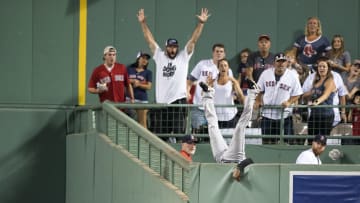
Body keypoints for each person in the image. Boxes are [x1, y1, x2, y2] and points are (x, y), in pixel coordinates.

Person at [137, 8, 210, 134]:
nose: (173, 50)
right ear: (166, 48)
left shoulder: (183, 56)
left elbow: (193, 40)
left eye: (175, 47)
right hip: (161, 104)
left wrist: (201, 23)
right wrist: (143, 23)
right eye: (170, 47)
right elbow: (149, 40)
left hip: (178, 102)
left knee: (179, 135)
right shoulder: (159, 56)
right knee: (160, 137)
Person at [200, 79, 259, 180]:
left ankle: (208, 94)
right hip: (235, 157)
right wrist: (240, 168)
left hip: (221, 159)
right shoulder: (244, 166)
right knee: (240, 128)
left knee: (212, 127)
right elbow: (250, 161)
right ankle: (253, 92)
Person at [255, 53, 303, 144]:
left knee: (286, 142)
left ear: (287, 63)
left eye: (283, 62)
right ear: (274, 63)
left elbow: (297, 94)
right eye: (278, 62)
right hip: (267, 114)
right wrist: (257, 100)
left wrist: (289, 102)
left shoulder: (293, 76)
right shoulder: (266, 74)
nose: (281, 64)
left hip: (284, 115)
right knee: (266, 141)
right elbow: (259, 90)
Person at [187, 43, 226, 133]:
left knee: (213, 135)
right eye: (217, 51)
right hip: (199, 106)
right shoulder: (203, 64)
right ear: (213, 53)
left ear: (224, 54)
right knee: (198, 134)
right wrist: (187, 91)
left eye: (221, 52)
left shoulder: (227, 69)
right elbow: (190, 80)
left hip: (215, 108)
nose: (219, 53)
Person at [303, 57, 336, 136]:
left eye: (324, 66)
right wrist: (303, 97)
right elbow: (311, 93)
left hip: (326, 115)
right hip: (314, 114)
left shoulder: (330, 81)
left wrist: (315, 102)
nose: (321, 68)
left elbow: (325, 95)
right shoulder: (316, 80)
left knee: (321, 140)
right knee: (311, 138)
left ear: (328, 69)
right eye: (319, 66)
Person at [212, 58, 245, 128]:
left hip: (231, 117)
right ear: (218, 68)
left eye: (225, 65)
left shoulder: (233, 81)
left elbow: (241, 96)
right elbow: (204, 94)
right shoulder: (213, 82)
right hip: (216, 117)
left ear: (228, 67)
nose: (223, 67)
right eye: (221, 65)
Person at [127, 51, 153, 128]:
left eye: (147, 59)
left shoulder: (148, 72)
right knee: (129, 122)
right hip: (129, 99)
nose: (145, 60)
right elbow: (124, 80)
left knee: (143, 123)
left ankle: (144, 140)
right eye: (143, 58)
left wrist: (139, 84)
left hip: (142, 99)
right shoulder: (129, 69)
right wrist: (133, 81)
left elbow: (149, 86)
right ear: (138, 59)